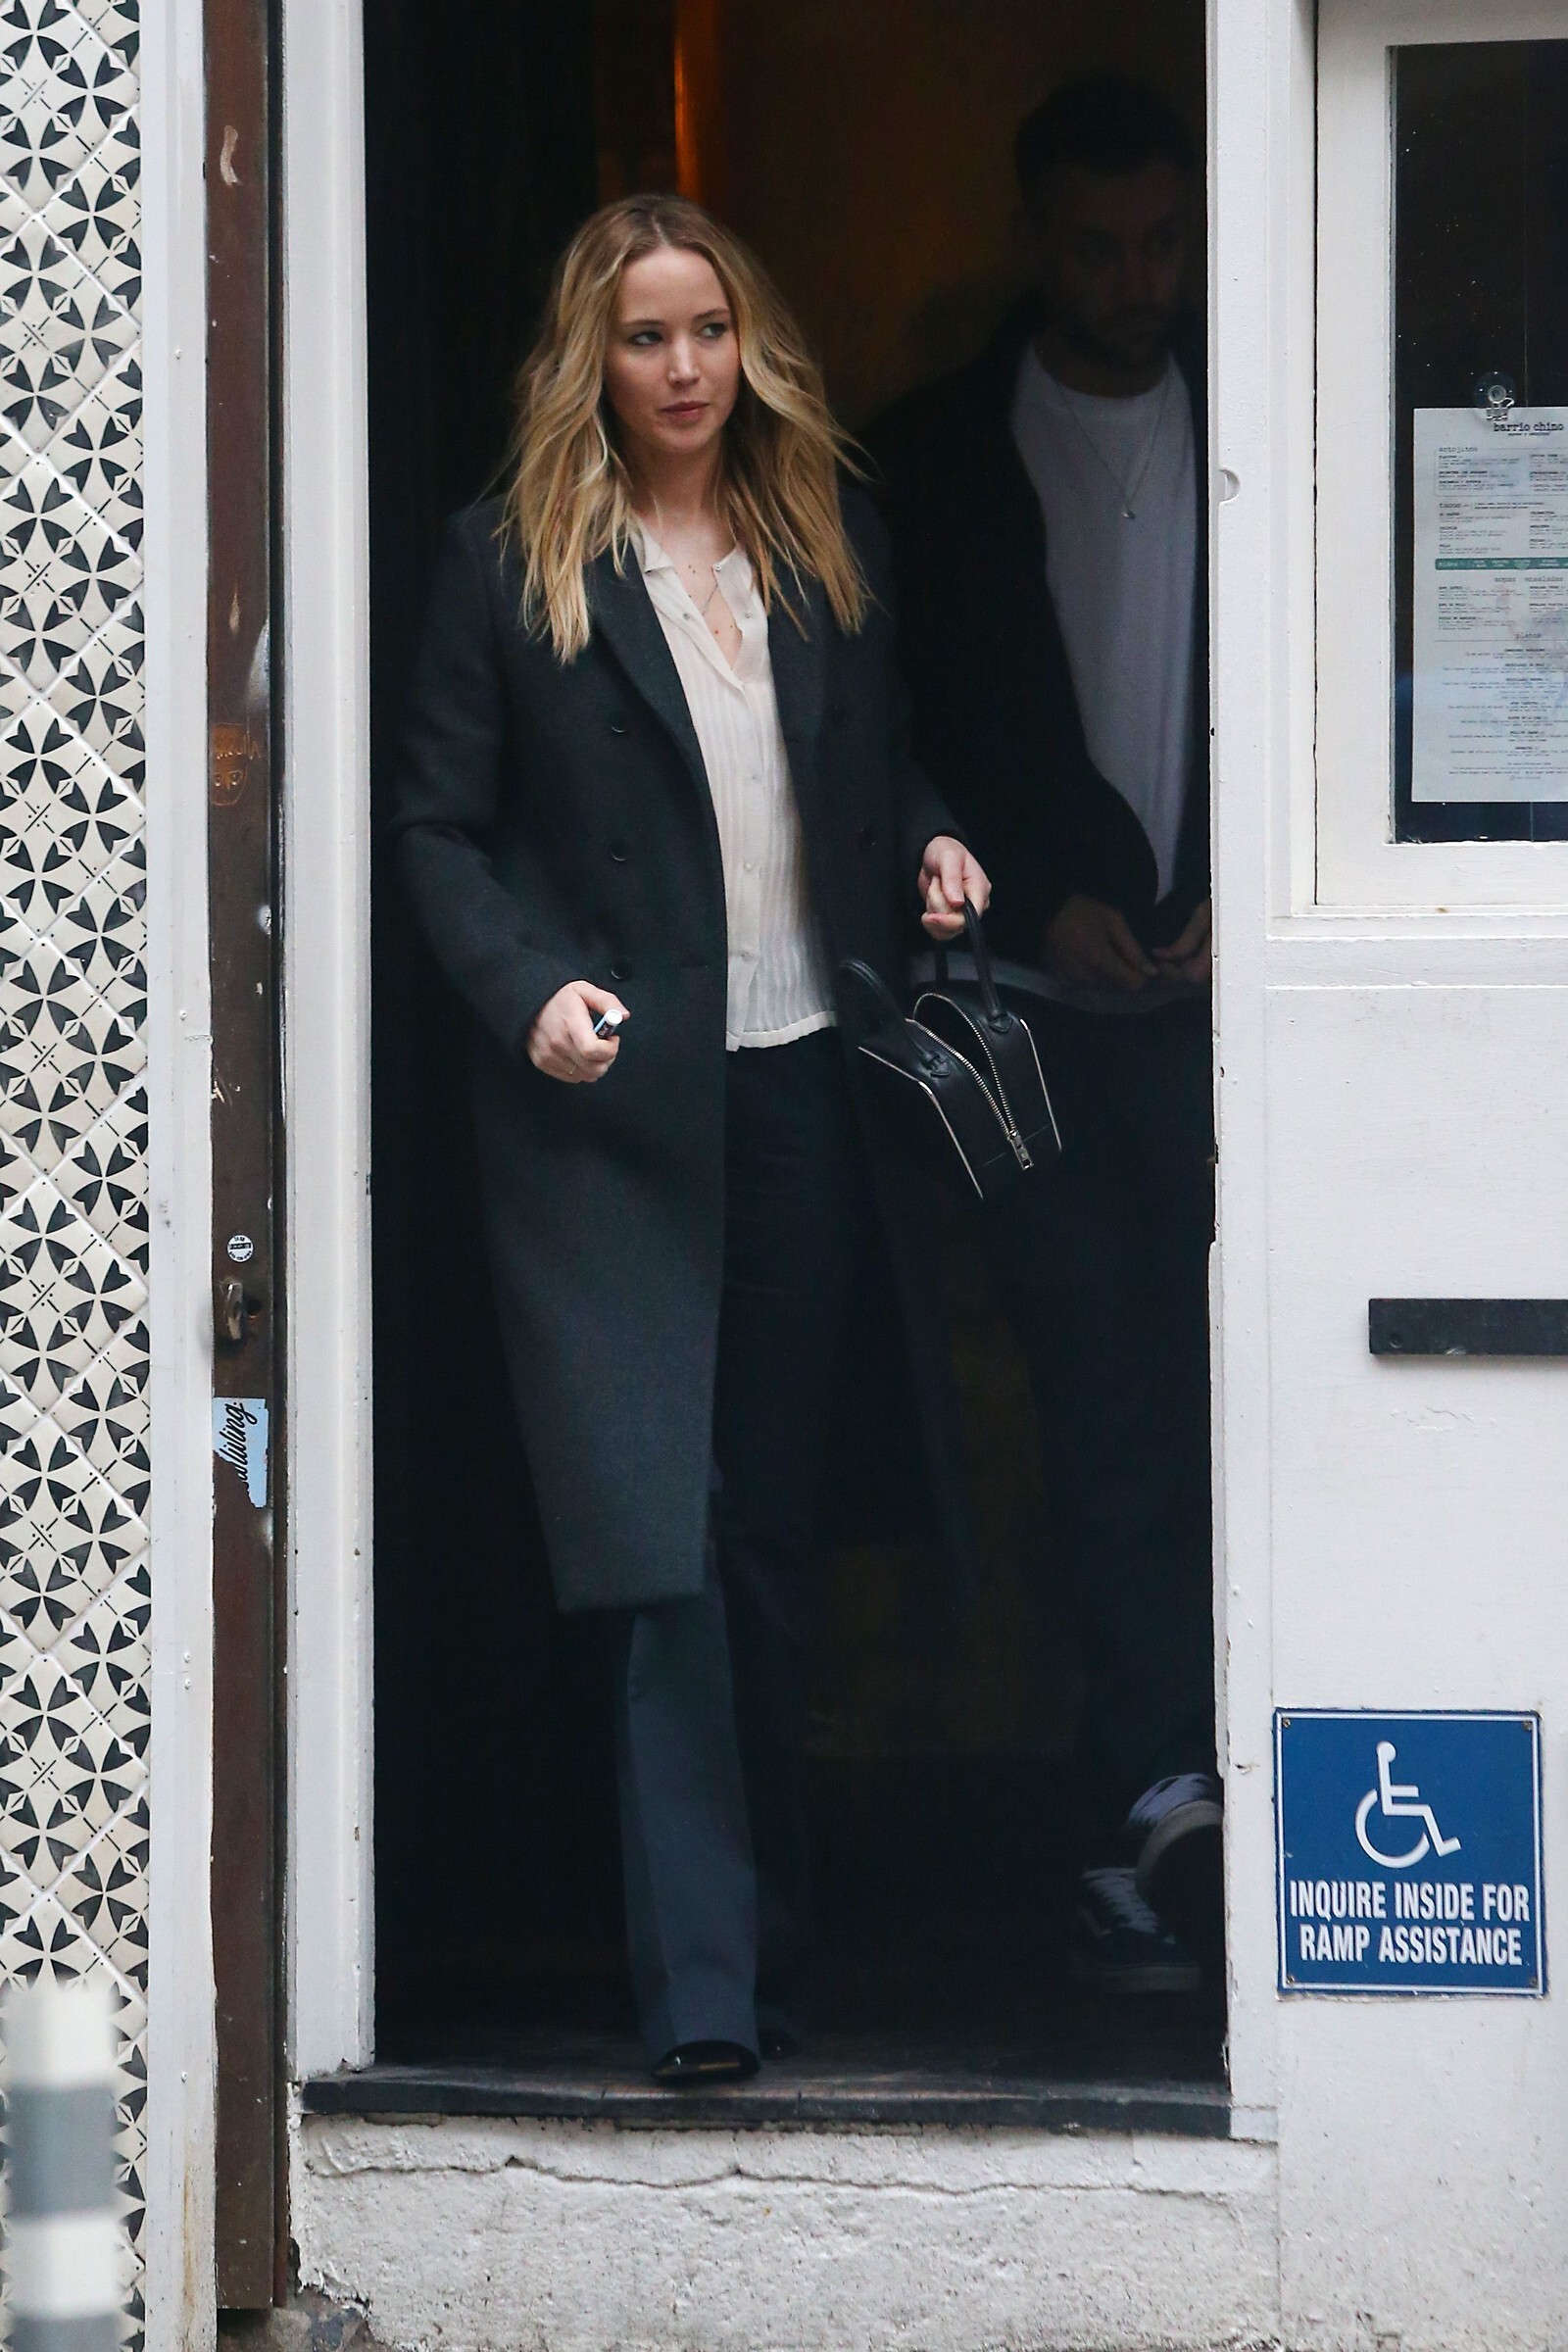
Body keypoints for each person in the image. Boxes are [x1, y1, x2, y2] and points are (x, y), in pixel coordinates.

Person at [394, 194, 991, 2082]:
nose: (682, 368)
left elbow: (878, 757)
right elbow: (435, 830)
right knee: (663, 1541)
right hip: (614, 1107)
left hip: (805, 1077)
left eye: (709, 332)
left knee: (769, 1538)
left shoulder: (825, 539)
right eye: (646, 336)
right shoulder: (508, 564)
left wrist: (933, 841)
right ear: (593, 354)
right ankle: (705, 1998)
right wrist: (527, 997)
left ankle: (766, 1948)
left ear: (753, 346)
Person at [873, 74, 1221, 1989]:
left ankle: (1193, 1789)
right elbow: (896, 733)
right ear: (1035, 237)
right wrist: (1019, 898)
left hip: (1222, 1008)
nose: (1132, 281)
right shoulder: (938, 455)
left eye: (1160, 242)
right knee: (1094, 1395)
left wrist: (1241, 898)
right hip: (1007, 1020)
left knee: (1223, 1388)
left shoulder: (1272, 414)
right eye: (1095, 247)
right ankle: (1153, 1792)